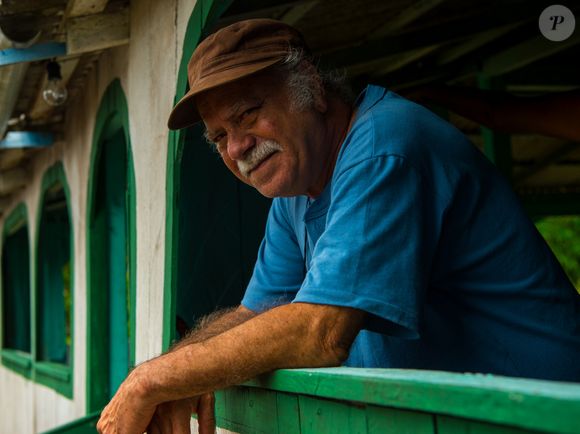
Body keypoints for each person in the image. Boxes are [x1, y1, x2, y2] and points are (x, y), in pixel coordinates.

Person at [97, 19, 580, 434]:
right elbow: (255, 313)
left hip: (550, 416)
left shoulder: (383, 145)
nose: (238, 148)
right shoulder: (296, 192)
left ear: (309, 85)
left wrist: (153, 382)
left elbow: (321, 331)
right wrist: (179, 372)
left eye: (247, 114)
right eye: (219, 136)